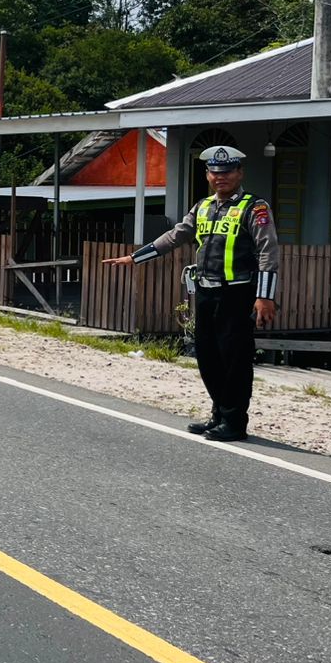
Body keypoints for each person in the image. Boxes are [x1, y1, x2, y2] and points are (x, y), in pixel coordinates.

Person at [103, 145, 280, 443]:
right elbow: (176, 236)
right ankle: (218, 414)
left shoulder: (255, 207)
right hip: (206, 293)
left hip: (237, 294)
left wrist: (265, 297)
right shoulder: (203, 206)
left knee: (234, 359)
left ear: (239, 173)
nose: (220, 177)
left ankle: (235, 422)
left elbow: (268, 252)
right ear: (207, 175)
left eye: (227, 172)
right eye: (215, 172)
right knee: (208, 357)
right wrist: (135, 257)